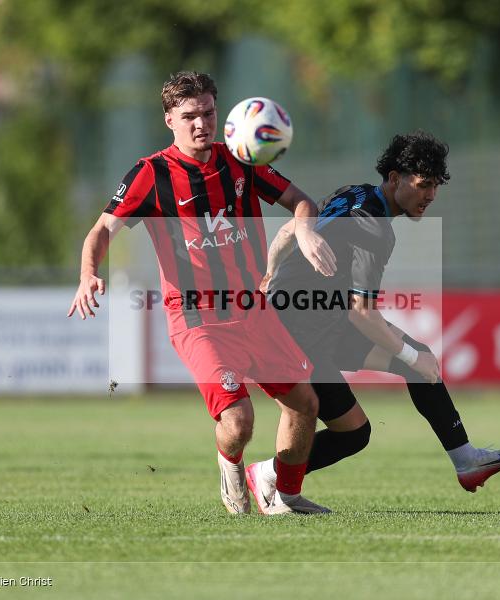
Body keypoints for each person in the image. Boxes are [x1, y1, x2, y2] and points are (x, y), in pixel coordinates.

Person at [68, 71, 338, 515]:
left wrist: (306, 234)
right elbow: (101, 229)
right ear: (169, 120)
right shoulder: (150, 174)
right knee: (239, 420)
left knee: (305, 404)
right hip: (197, 318)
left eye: (209, 113)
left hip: (253, 310)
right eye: (190, 115)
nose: (201, 123)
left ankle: (285, 497)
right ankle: (231, 468)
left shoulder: (241, 158)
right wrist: (87, 273)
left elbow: (301, 201)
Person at [245, 131, 500, 510]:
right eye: (423, 185)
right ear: (395, 179)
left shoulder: (354, 193)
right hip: (296, 333)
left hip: (318, 322)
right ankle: (267, 476)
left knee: (417, 358)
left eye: (436, 186)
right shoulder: (373, 228)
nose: (430, 196)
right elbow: (362, 313)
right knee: (355, 432)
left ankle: (465, 460)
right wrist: (412, 358)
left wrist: (270, 275)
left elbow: (287, 231)